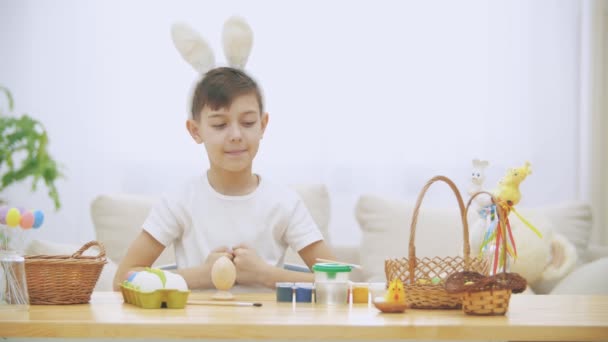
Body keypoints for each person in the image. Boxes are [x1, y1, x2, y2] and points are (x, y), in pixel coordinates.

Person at [113, 67, 335, 291]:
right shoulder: (179, 200)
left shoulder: (285, 203)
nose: (236, 135)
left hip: (264, 325)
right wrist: (202, 276)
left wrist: (265, 274)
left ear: (263, 125)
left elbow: (339, 283)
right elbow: (122, 280)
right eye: (220, 125)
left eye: (248, 122)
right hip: (196, 326)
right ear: (195, 130)